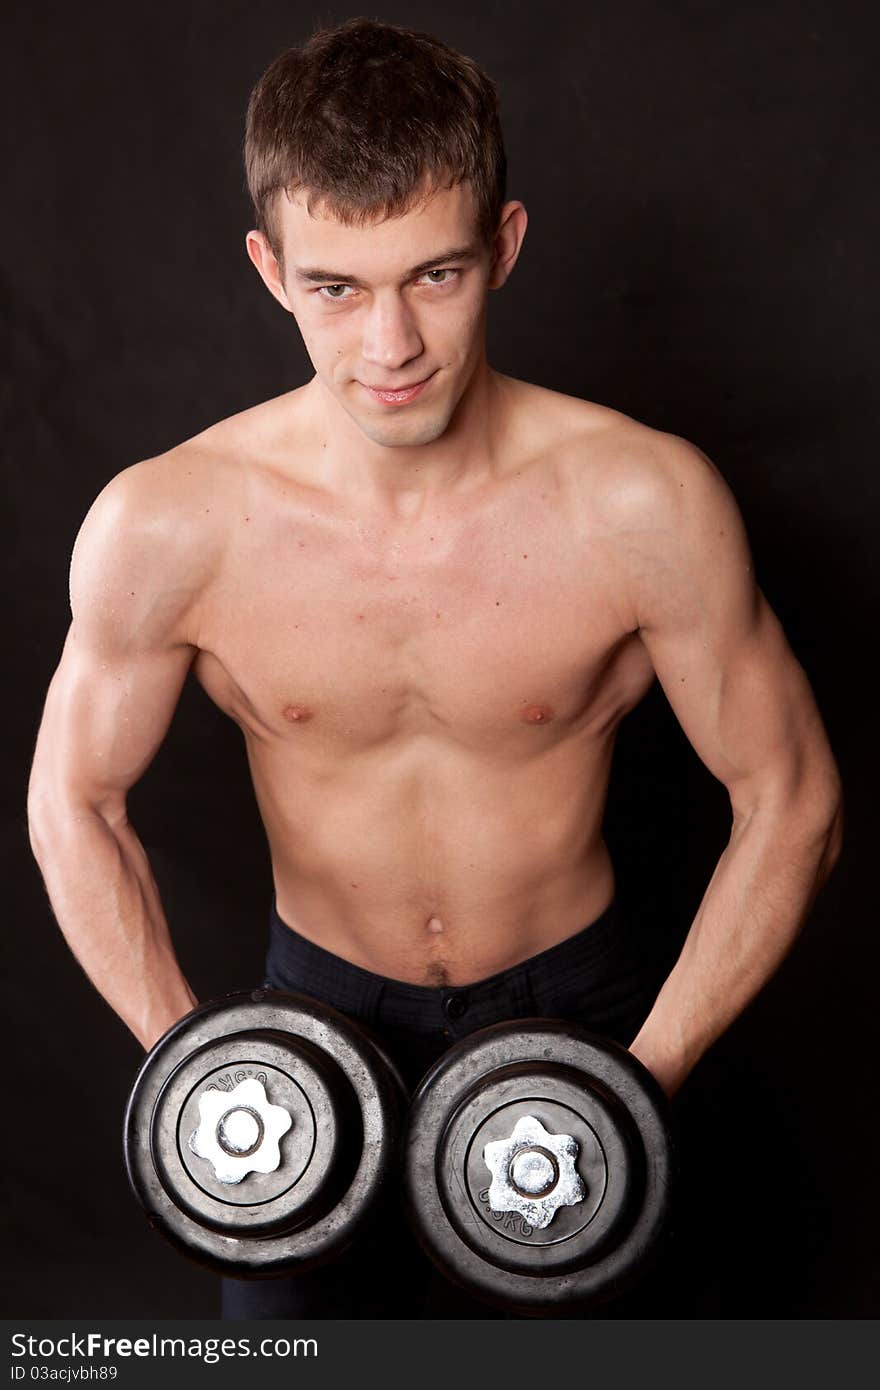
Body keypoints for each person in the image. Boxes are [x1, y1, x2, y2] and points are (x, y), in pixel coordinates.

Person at [27, 17, 842, 1319]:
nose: (390, 345)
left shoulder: (642, 501)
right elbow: (73, 798)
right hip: (309, 1016)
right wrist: (196, 1059)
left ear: (506, 246)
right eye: (336, 287)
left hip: (584, 1011)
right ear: (268, 267)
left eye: (437, 275)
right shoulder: (170, 522)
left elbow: (793, 797)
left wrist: (645, 1076)